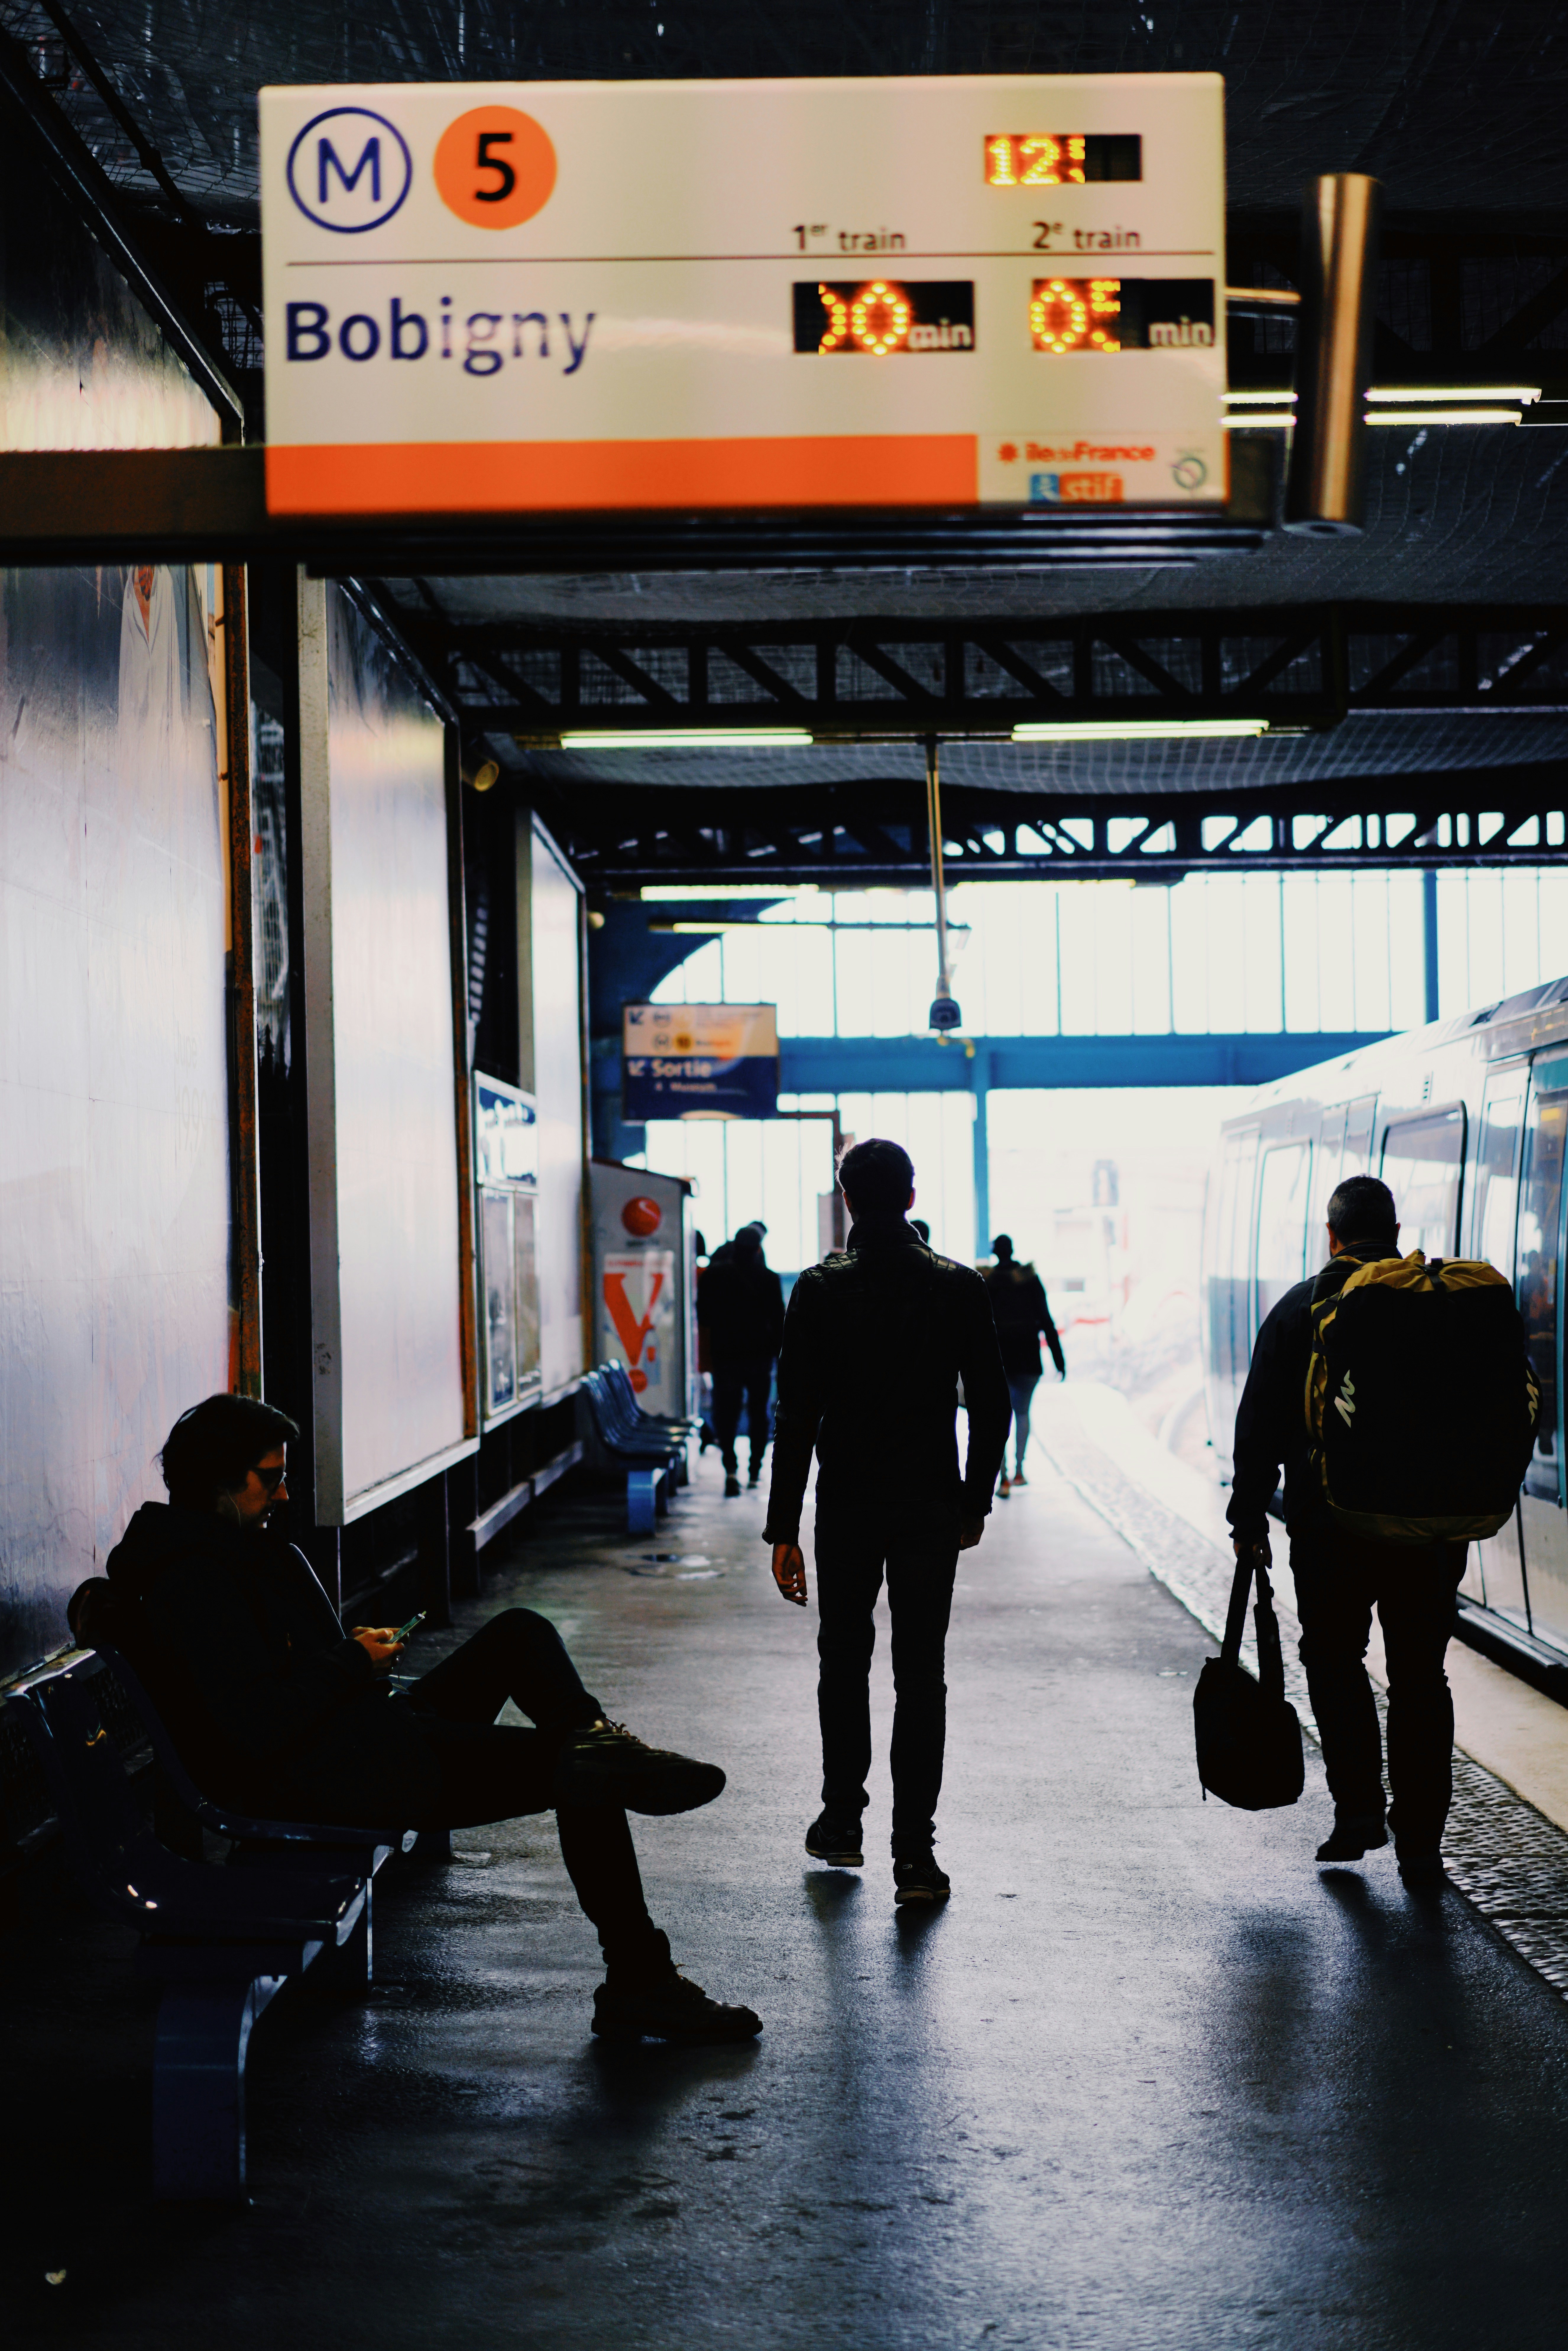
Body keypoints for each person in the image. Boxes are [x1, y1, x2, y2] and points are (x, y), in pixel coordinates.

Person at [88, 1394, 761, 2044]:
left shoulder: (226, 1553)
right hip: (326, 1776)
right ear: (219, 1483)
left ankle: (601, 1743)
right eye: (270, 1478)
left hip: (354, 1738)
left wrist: (353, 1658)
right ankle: (640, 1978)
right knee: (583, 1771)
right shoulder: (196, 1583)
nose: (284, 1494)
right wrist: (351, 1662)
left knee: (520, 1633)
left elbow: (276, 1679)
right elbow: (256, 1725)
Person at [763, 1139, 1010, 1905]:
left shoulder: (818, 1289)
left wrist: (783, 1528)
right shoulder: (958, 1285)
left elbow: (796, 1414)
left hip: (846, 1503)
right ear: (910, 1197)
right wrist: (975, 1501)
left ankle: (843, 1821)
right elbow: (992, 1402)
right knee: (921, 1674)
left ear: (847, 1200)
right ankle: (916, 1857)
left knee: (844, 1661)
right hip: (930, 1504)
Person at [1227, 1174, 1462, 1886]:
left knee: (1333, 1658)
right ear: (1395, 1233)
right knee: (1420, 1676)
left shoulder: (1301, 1307)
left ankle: (1358, 1810)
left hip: (1330, 1527)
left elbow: (1258, 1425)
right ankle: (1421, 1841)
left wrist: (1248, 1517)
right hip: (1429, 1530)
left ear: (1330, 1236)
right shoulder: (1442, 1302)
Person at [698, 1222, 785, 1497]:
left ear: (734, 1247)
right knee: (759, 1413)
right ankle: (755, 1470)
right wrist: (780, 1358)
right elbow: (779, 1321)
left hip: (725, 1356)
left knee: (727, 1413)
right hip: (760, 1357)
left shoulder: (713, 1277)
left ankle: (731, 1470)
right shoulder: (769, 1278)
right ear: (758, 1249)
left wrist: (707, 1356)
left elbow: (704, 1318)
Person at [984, 1235, 1065, 1497]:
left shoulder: (986, 1281)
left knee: (998, 1418)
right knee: (1022, 1414)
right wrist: (1059, 1359)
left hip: (996, 1359)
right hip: (1028, 1357)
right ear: (1013, 1251)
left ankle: (1003, 1477)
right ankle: (1020, 1471)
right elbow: (1046, 1320)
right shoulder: (1030, 1280)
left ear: (995, 1252)